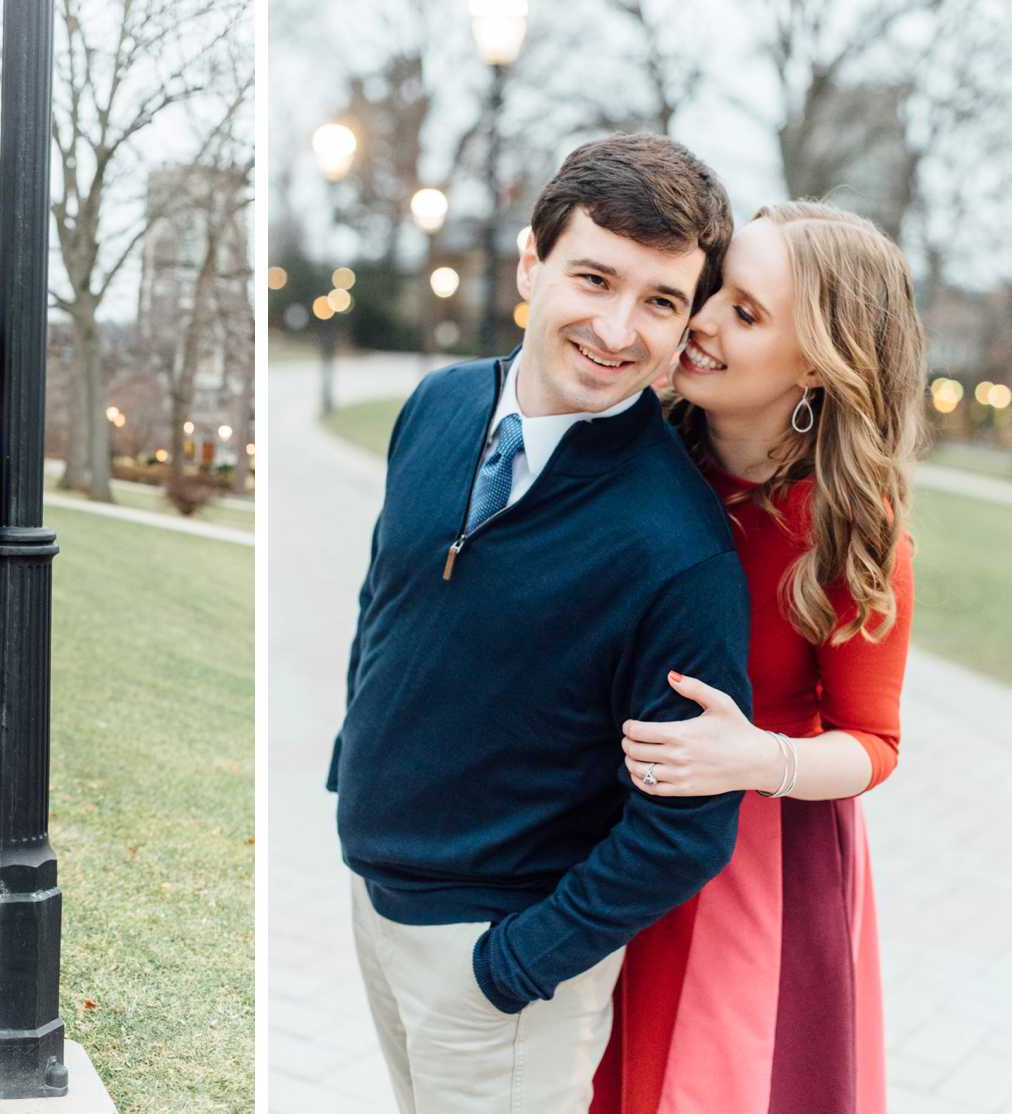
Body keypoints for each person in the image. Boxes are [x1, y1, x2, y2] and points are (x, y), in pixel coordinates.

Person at [328, 133, 754, 1113]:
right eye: (595, 277)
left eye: (659, 301)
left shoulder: (678, 546)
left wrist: (514, 966)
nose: (617, 327)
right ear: (532, 262)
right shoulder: (434, 406)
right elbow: (384, 602)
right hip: (373, 897)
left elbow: (685, 829)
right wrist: (352, 768)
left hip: (502, 968)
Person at [591, 202, 923, 1114]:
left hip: (758, 861)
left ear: (818, 360)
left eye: (745, 313)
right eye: (714, 292)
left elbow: (873, 742)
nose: (699, 322)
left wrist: (756, 760)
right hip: (595, 833)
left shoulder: (852, 530)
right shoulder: (631, 452)